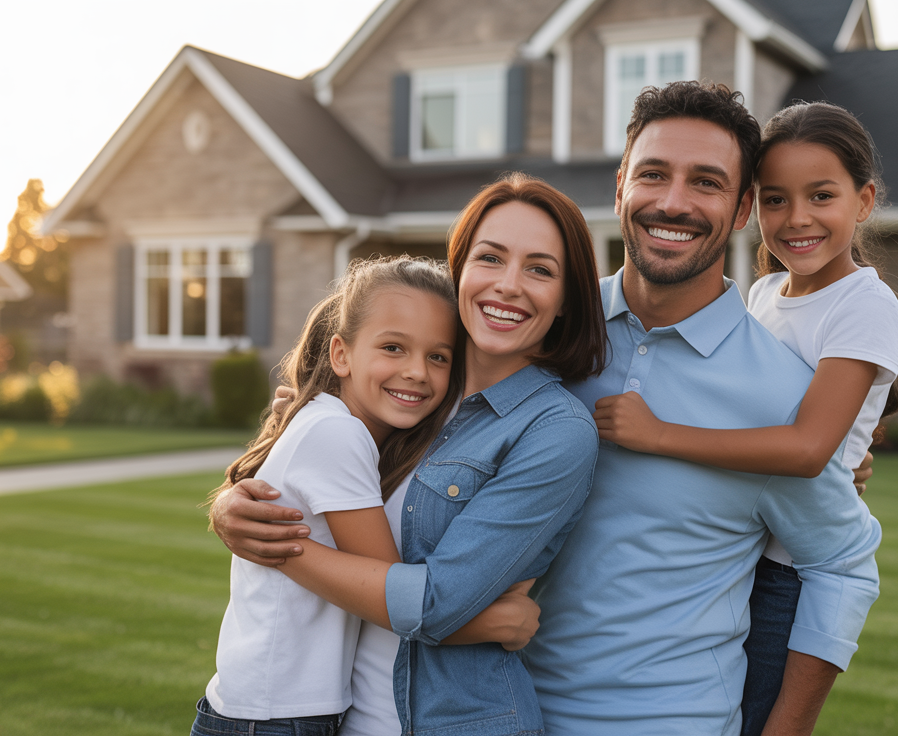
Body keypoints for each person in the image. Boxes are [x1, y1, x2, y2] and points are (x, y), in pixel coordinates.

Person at [214, 83, 879, 736]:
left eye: (705, 182)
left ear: (741, 210)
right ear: (620, 186)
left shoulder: (779, 397)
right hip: (487, 704)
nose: (673, 202)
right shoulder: (536, 329)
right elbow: (347, 415)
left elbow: (840, 563)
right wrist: (239, 497)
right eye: (653, 174)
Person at [209, 173, 608, 736]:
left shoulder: (555, 430)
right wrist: (231, 508)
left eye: (540, 269)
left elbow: (436, 602)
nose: (509, 285)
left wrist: (277, 548)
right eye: (490, 258)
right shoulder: (415, 394)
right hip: (343, 716)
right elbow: (305, 457)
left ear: (566, 299)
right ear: (460, 270)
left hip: (456, 720)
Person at [589, 100, 898, 735]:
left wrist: (659, 435)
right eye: (775, 200)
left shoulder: (865, 305)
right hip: (744, 551)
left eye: (822, 196)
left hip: (788, 571)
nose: (796, 219)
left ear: (865, 199)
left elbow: (808, 448)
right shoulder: (767, 293)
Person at [193, 257, 465, 735]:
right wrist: (487, 625)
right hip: (273, 716)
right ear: (341, 354)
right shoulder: (337, 433)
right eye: (394, 348)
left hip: (278, 708)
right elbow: (387, 591)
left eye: (438, 356)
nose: (418, 371)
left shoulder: (333, 423)